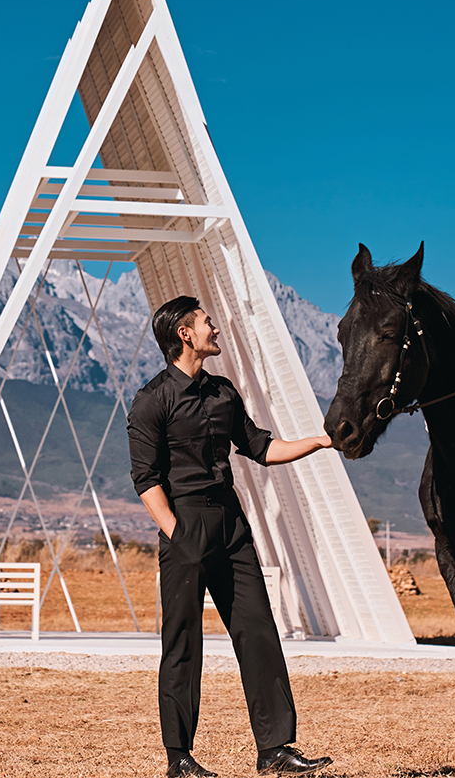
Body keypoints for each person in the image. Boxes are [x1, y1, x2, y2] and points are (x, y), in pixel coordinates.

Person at [128, 295, 335, 778]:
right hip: (184, 524)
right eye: (206, 322)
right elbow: (145, 478)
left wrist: (321, 441)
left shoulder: (223, 392)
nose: (215, 328)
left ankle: (275, 750)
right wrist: (177, 533)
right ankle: (179, 757)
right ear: (184, 334)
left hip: (231, 523)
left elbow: (261, 447)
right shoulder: (152, 399)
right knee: (183, 641)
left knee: (258, 628)